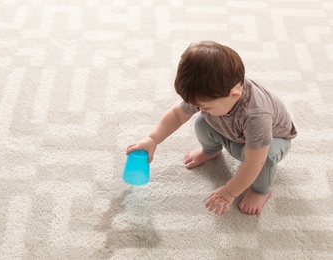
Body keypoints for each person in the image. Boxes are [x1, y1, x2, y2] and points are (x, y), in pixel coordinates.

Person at [126, 41, 297, 215]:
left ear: (234, 95)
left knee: (265, 159)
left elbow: (255, 161)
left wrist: (229, 192)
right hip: (236, 133)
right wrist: (153, 139)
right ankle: (211, 151)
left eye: (205, 106)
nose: (201, 108)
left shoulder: (256, 115)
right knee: (201, 121)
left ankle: (261, 191)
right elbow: (178, 115)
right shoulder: (211, 92)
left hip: (273, 141)